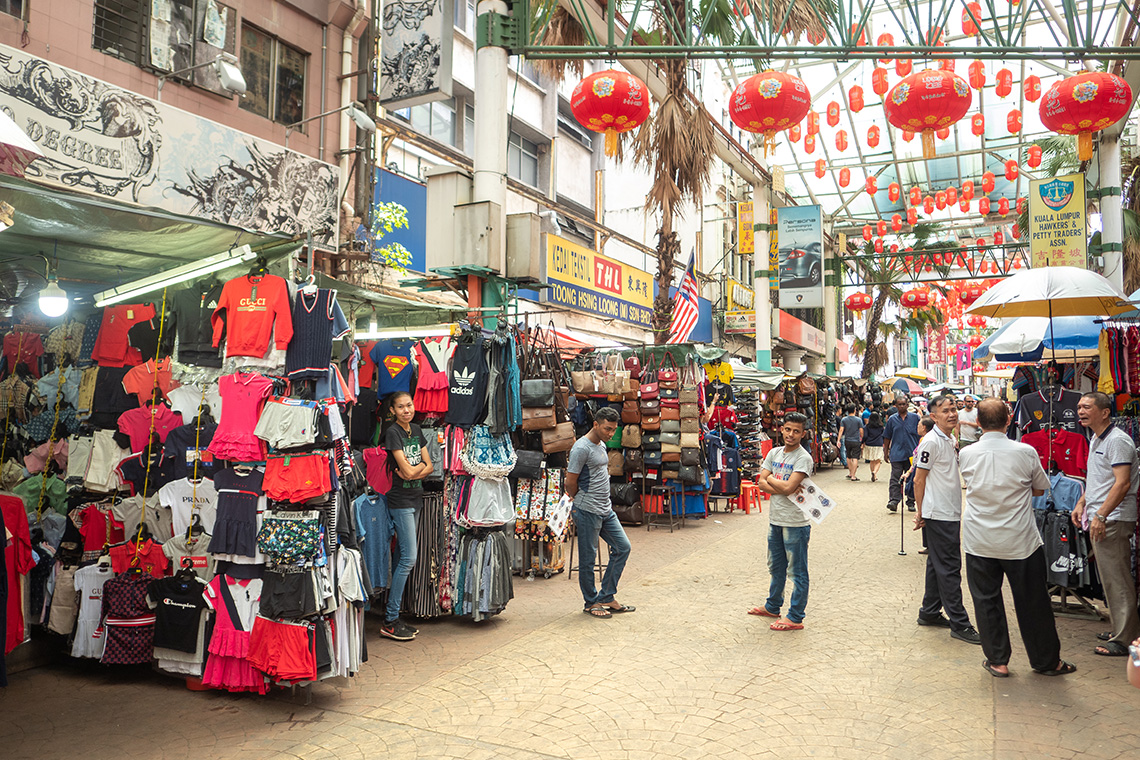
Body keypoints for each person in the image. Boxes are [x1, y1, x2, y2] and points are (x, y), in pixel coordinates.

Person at [959, 398, 1075, 677]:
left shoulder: (967, 454)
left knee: (986, 601)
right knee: (1033, 601)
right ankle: (1047, 661)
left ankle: (998, 660)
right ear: (1009, 421)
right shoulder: (1025, 451)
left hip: (980, 538)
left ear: (977, 422)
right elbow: (1039, 490)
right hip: (1019, 539)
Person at [1073, 391, 1140, 656]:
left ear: (1104, 412)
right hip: (1101, 517)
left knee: (1118, 578)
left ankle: (1125, 639)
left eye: (1087, 407)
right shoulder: (1096, 438)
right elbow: (1098, 480)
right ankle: (1120, 628)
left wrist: (1100, 515)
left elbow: (1122, 483)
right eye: (1079, 407)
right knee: (1110, 578)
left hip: (1112, 518)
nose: (1080, 411)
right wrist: (1082, 503)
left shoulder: (1118, 441)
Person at [912, 394, 981, 645]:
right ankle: (960, 623)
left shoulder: (949, 438)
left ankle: (929, 612)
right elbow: (919, 479)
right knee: (950, 568)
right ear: (934, 416)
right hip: (938, 512)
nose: (952, 414)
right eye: (945, 411)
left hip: (948, 511)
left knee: (937, 564)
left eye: (954, 409)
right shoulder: (931, 441)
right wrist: (920, 513)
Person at [565, 406, 634, 619]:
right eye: (607, 429)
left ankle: (607, 595)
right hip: (587, 510)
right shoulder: (581, 448)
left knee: (623, 547)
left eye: (613, 429)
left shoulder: (602, 445)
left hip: (605, 509)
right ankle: (591, 602)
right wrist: (580, 501)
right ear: (595, 424)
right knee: (588, 559)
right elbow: (570, 482)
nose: (611, 434)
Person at [747, 413, 814, 631]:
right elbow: (761, 483)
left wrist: (773, 481)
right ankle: (772, 606)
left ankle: (795, 616)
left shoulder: (803, 458)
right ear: (781, 429)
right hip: (776, 519)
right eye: (788, 429)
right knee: (776, 566)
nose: (791, 435)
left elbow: (785, 487)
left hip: (795, 522)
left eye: (796, 431)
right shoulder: (774, 452)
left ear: (803, 434)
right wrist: (781, 484)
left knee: (797, 572)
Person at [380, 391, 432, 641]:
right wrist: (415, 470)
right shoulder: (392, 433)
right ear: (392, 411)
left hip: (416, 498)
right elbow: (406, 469)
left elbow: (429, 467)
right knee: (409, 558)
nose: (406, 410)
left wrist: (415, 471)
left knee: (403, 554)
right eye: (400, 407)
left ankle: (394, 614)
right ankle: (390, 619)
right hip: (400, 501)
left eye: (409, 405)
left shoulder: (417, 430)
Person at [883, 395, 921, 512]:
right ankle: (894, 500)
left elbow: (922, 434)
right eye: (899, 404)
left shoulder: (915, 418)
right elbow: (887, 437)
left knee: (912, 478)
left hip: (912, 454)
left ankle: (911, 501)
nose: (902, 406)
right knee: (895, 478)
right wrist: (886, 452)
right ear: (896, 405)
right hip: (897, 454)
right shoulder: (892, 420)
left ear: (907, 405)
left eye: (904, 404)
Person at [839, 405, 864, 481]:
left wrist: (838, 440)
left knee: (848, 456)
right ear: (854, 410)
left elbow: (841, 430)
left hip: (847, 440)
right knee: (855, 457)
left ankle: (850, 473)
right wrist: (862, 439)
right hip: (856, 440)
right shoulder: (858, 420)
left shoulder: (844, 419)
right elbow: (861, 431)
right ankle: (853, 475)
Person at [863, 411, 885, 482]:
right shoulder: (881, 427)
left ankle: (873, 474)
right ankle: (874, 472)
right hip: (878, 444)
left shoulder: (867, 426)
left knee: (872, 460)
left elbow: (865, 436)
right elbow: (884, 435)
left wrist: (862, 442)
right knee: (878, 460)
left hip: (869, 444)